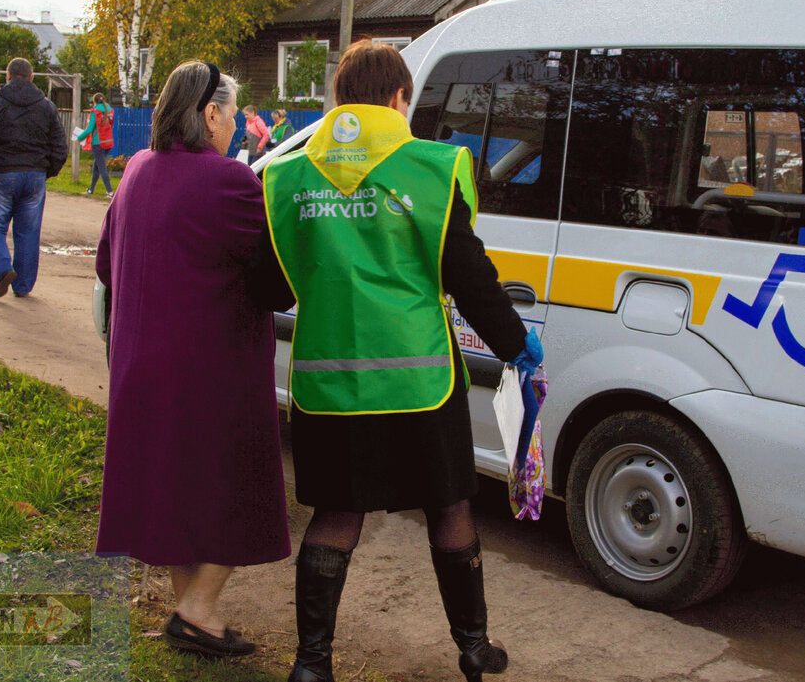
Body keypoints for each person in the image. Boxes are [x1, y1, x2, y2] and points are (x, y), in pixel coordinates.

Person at [264, 40, 543, 682]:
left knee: (336, 514)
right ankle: (474, 650)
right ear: (399, 100)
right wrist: (515, 345)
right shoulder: (431, 169)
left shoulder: (287, 177)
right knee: (448, 508)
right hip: (421, 381)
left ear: (337, 102)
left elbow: (272, 288)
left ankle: (311, 666)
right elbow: (468, 275)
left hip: (329, 387)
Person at [95, 60, 294, 659]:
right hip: (211, 371)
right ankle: (199, 605)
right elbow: (278, 286)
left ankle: (195, 614)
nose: (235, 125)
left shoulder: (135, 171)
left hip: (139, 367)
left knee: (176, 492)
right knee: (242, 484)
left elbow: (107, 264)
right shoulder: (228, 181)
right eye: (232, 113)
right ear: (210, 114)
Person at [0, 57, 67, 298]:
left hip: (0, 173)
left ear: (8, 76)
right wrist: (46, 171)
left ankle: (3, 268)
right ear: (32, 77)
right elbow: (60, 147)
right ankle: (22, 286)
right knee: (28, 232)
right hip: (35, 177)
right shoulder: (46, 106)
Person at [75, 92, 115, 197]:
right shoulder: (109, 111)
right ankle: (91, 189)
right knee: (96, 167)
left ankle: (110, 191)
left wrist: (78, 138)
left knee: (102, 168)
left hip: (98, 143)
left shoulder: (95, 112)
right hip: (108, 142)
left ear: (94, 101)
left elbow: (89, 130)